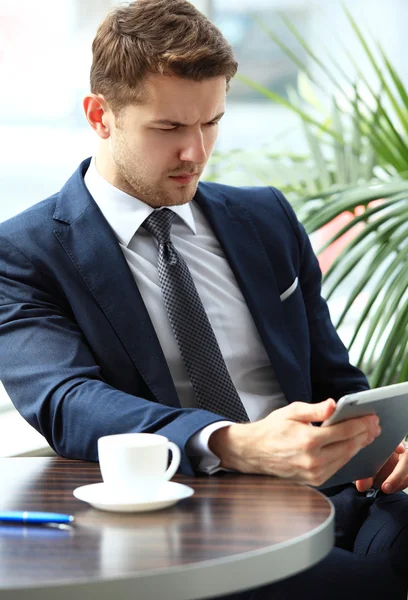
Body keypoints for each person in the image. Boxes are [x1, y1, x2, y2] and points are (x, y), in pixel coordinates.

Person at [0, 0, 407, 597]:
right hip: (195, 517)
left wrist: (388, 438)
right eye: (168, 128)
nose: (196, 151)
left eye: (210, 122)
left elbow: (333, 376)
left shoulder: (265, 217)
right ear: (99, 116)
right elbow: (68, 401)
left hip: (348, 496)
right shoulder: (25, 252)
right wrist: (233, 442)